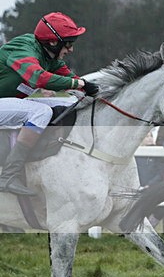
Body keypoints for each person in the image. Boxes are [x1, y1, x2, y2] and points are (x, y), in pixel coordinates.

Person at [0, 12, 99, 195]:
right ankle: (8, 175)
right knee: (42, 112)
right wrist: (79, 84)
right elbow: (38, 78)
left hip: (9, 102)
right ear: (53, 42)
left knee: (72, 100)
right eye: (68, 43)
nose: (71, 49)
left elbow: (73, 80)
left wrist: (96, 91)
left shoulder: (49, 57)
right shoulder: (24, 48)